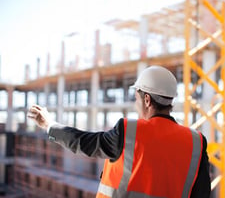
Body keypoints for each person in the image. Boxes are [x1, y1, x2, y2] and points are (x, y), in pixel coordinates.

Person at [28, 65, 211, 198]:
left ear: (147, 100)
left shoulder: (129, 131)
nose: (135, 103)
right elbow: (201, 194)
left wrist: (49, 124)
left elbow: (84, 142)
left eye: (136, 97)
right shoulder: (196, 142)